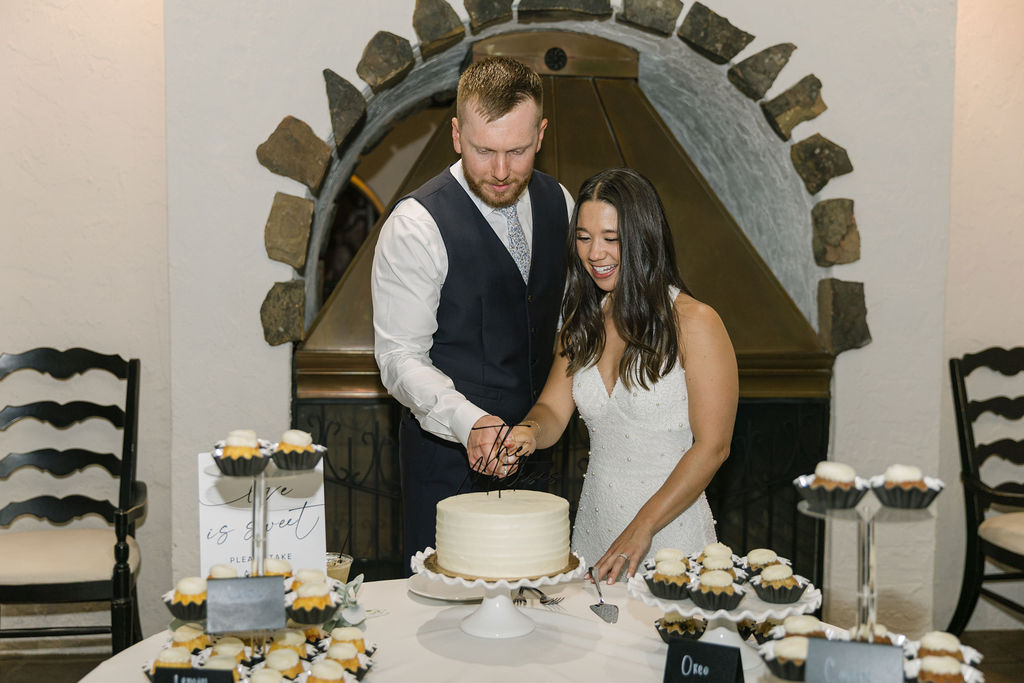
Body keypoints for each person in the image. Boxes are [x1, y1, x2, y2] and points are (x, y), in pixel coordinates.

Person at [371, 56, 574, 571]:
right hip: (447, 466)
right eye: (485, 151)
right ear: (457, 134)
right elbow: (399, 356)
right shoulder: (416, 224)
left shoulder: (561, 204)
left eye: (518, 151)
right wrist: (470, 422)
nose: (501, 171)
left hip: (539, 462)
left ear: (542, 134)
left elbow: (570, 326)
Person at [507, 167, 738, 584]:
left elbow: (713, 447)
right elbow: (552, 411)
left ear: (644, 237)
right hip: (596, 530)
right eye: (583, 236)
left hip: (670, 537)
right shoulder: (582, 322)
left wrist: (641, 528)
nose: (595, 252)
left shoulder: (696, 322)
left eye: (611, 238)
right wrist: (525, 431)